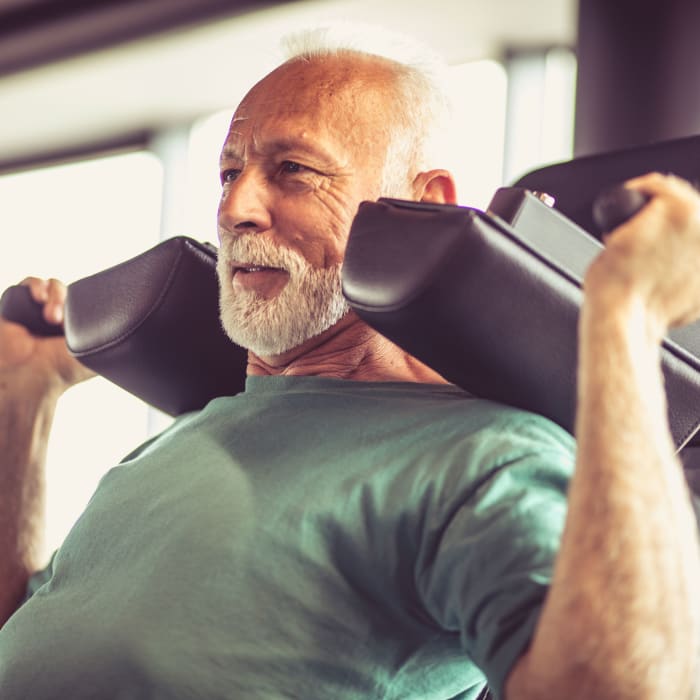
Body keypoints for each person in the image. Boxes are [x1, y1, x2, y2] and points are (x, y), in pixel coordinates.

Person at [1, 25, 699, 700]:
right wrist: (20, 397)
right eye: (229, 172)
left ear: (421, 203)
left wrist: (625, 321)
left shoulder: (485, 458)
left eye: (294, 171)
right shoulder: (168, 445)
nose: (237, 206)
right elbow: (31, 640)